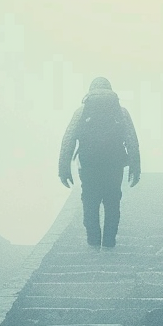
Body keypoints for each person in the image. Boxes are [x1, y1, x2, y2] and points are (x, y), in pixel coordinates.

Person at [58, 76, 141, 249]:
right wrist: (135, 167)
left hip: (89, 165)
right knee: (112, 201)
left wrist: (63, 169)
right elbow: (132, 139)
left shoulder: (82, 111)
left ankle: (93, 241)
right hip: (114, 165)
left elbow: (68, 140)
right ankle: (109, 241)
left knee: (90, 201)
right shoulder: (120, 111)